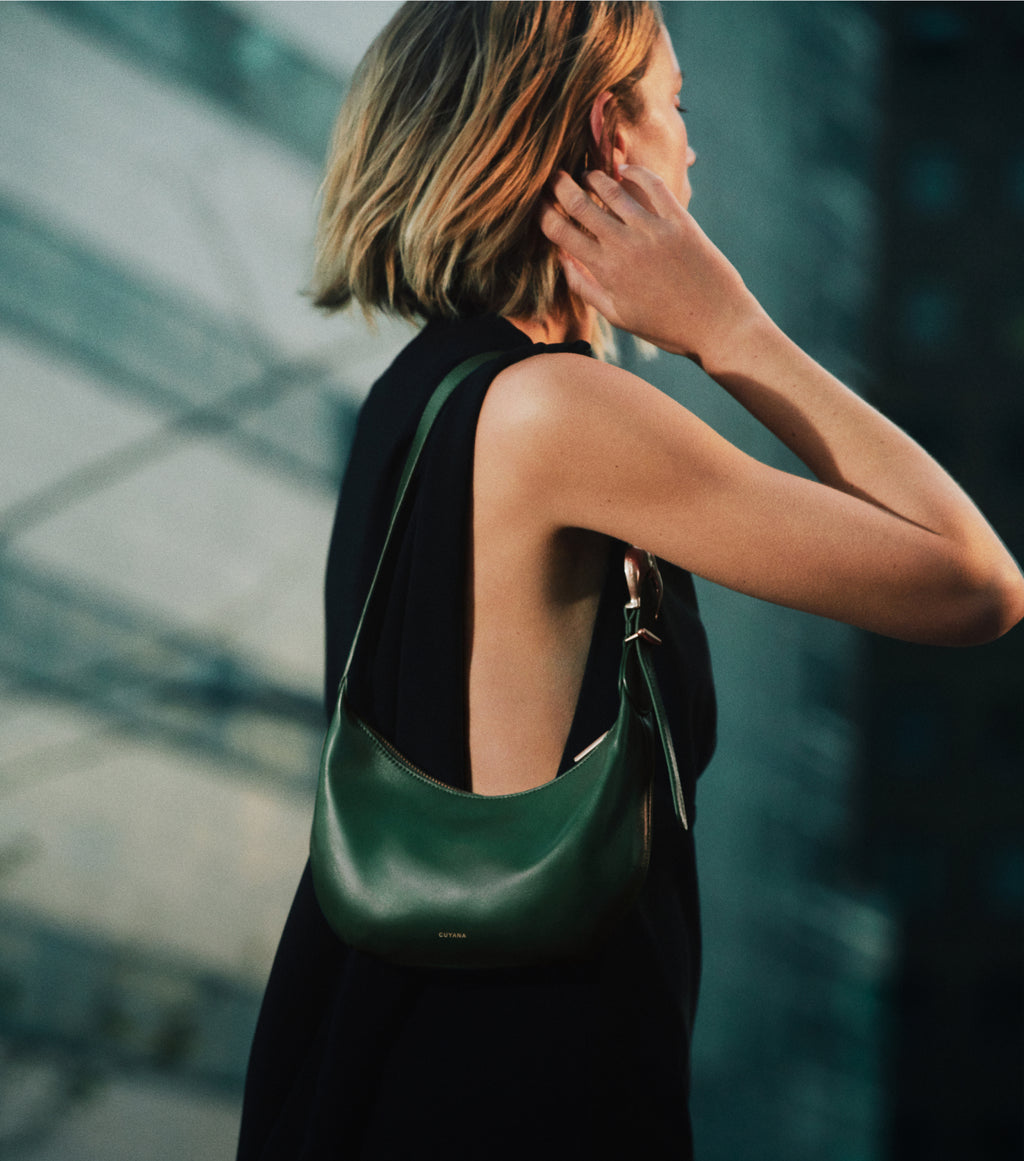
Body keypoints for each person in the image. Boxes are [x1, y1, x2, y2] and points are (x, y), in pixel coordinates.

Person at [236, 3, 1024, 1158]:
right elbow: (974, 580)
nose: (691, 146)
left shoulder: (416, 398)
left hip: (383, 1052)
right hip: (517, 1082)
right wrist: (735, 331)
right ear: (610, 132)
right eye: (675, 104)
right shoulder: (562, 412)